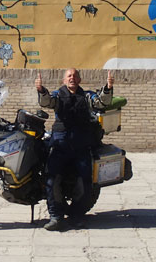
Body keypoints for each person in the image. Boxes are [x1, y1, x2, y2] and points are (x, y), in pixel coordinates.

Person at [35, 68, 114, 230]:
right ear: (64, 80)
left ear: (79, 79)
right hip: (59, 143)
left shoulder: (87, 96)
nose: (72, 78)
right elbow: (47, 102)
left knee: (84, 180)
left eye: (75, 76)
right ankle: (55, 216)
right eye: (69, 76)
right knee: (52, 178)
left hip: (81, 144)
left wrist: (108, 88)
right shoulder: (57, 95)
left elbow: (101, 102)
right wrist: (41, 90)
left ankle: (76, 216)